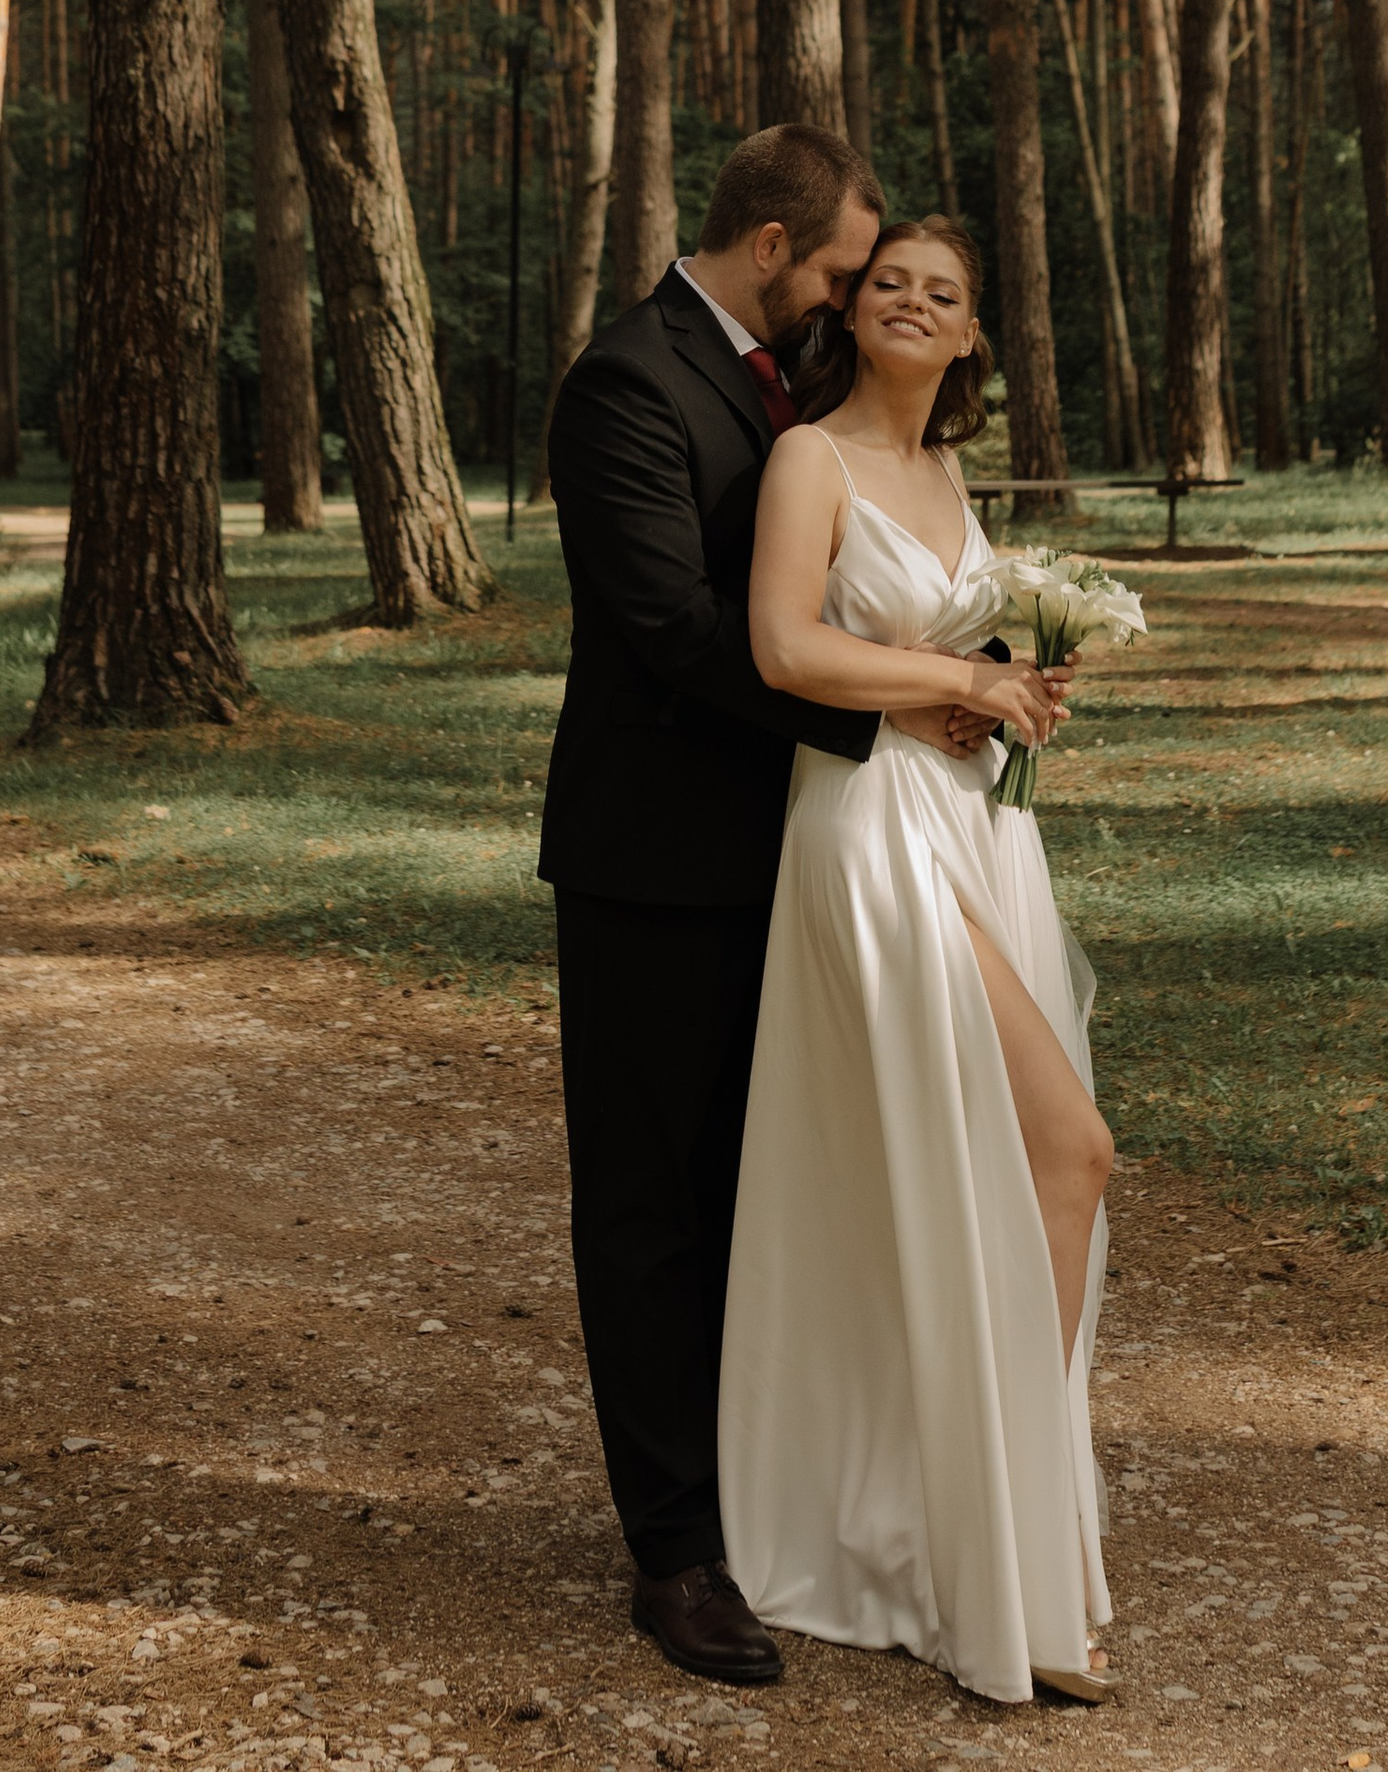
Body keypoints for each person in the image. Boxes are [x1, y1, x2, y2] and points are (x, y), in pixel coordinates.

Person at [540, 124, 1015, 1690]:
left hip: (815, 854)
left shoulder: (789, 386)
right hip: (658, 865)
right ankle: (675, 1549)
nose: (846, 292)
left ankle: (778, 1495)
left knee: (779, 1186)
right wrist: (897, 707)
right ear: (768, 249)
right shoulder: (624, 383)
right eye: (833, 267)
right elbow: (683, 631)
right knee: (652, 1202)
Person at [718, 216, 1112, 1708]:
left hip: (976, 831)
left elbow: (953, 658)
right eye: (889, 279)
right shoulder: (808, 459)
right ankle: (994, 1562)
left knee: (997, 1173)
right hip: (871, 838)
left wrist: (1019, 696)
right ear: (854, 306)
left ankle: (995, 1544)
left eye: (942, 293)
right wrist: (958, 679)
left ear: (966, 343)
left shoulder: (949, 475)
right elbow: (783, 649)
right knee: (1065, 1154)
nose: (910, 300)